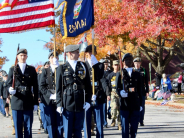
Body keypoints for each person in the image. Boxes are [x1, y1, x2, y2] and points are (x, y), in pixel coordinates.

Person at [56, 44, 92, 138]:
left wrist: (88, 101)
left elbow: (88, 85)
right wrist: (59, 104)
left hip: (80, 101)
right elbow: (59, 88)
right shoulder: (62, 68)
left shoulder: (83, 66)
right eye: (76, 52)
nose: (78, 54)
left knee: (78, 130)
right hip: (67, 102)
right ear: (70, 54)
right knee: (68, 131)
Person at [7, 49, 38, 138]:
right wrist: (10, 89)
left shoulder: (31, 69)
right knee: (17, 127)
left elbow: (35, 87)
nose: (23, 57)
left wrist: (35, 102)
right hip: (17, 100)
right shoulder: (13, 69)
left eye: (24, 55)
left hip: (28, 101)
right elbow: (8, 83)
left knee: (28, 127)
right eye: (21, 55)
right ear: (17, 57)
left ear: (27, 57)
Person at [84, 45, 109, 138]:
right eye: (89, 52)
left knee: (99, 122)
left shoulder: (100, 65)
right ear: (86, 53)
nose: (91, 54)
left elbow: (101, 79)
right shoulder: (83, 65)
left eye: (93, 52)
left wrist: (96, 65)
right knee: (87, 122)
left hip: (97, 95)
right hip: (87, 97)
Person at [39, 51, 63, 138]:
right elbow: (41, 86)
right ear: (49, 59)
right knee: (50, 121)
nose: (54, 59)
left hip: (60, 100)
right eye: (52, 57)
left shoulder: (62, 69)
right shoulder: (45, 71)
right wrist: (50, 95)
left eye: (56, 57)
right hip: (49, 100)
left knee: (60, 122)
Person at [119, 53, 142, 138]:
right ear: (123, 61)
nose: (128, 61)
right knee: (125, 127)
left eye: (130, 60)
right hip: (125, 104)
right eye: (126, 60)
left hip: (135, 103)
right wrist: (120, 92)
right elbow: (117, 87)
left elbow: (140, 89)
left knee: (134, 126)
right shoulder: (120, 73)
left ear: (132, 61)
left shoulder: (137, 74)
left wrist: (141, 104)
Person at [133, 57, 149, 126]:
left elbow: (146, 81)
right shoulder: (132, 71)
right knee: (135, 106)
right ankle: (135, 119)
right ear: (133, 63)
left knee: (142, 106)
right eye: (136, 63)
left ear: (140, 63)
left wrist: (147, 91)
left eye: (138, 63)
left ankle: (141, 120)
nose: (137, 65)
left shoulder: (144, 70)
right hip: (134, 91)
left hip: (142, 90)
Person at [107, 60, 122, 130]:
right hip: (113, 92)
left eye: (117, 65)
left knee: (120, 108)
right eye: (115, 65)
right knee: (115, 106)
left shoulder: (121, 74)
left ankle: (119, 124)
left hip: (119, 92)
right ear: (113, 66)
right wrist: (108, 94)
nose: (116, 66)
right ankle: (113, 119)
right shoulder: (110, 75)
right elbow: (107, 85)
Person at [100, 59, 112, 128]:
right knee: (103, 107)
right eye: (104, 64)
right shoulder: (100, 73)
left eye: (106, 64)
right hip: (102, 91)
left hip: (110, 91)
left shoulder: (110, 72)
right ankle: (104, 122)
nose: (105, 65)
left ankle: (110, 116)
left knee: (110, 107)